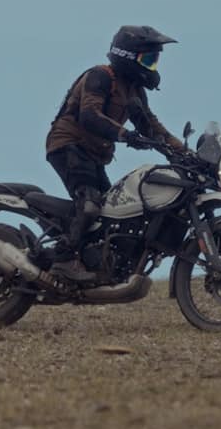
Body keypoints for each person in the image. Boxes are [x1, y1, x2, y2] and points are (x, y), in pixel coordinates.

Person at [44, 25, 185, 281]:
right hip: (68, 146)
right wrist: (124, 134)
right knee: (89, 205)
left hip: (94, 155)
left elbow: (151, 127)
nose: (152, 66)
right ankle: (63, 260)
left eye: (155, 60)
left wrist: (184, 154)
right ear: (128, 55)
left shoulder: (133, 90)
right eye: (148, 59)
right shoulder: (100, 76)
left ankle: (97, 263)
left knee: (111, 212)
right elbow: (89, 115)